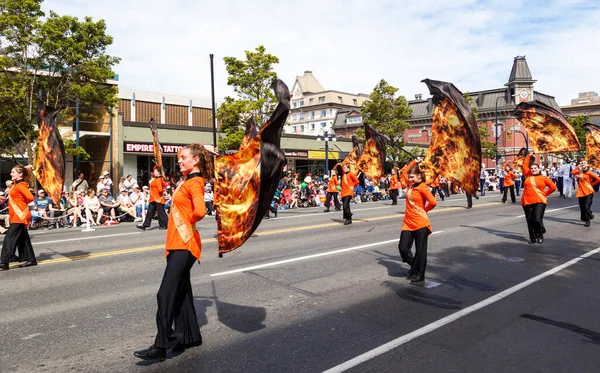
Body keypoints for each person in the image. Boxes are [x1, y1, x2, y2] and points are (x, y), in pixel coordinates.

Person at [134, 143, 212, 361]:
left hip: (184, 244)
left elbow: (200, 211)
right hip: (178, 243)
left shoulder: (195, 182)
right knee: (180, 292)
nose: (180, 160)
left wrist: (187, 223)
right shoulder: (186, 181)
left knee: (165, 294)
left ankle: (161, 345)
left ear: (195, 160)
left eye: (184, 157)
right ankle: (189, 336)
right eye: (179, 157)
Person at [397, 159, 437, 283]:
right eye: (410, 177)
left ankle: (420, 274)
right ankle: (414, 266)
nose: (410, 179)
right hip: (408, 223)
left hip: (420, 223)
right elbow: (403, 174)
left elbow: (433, 202)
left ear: (419, 176)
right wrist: (414, 162)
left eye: (412, 177)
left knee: (420, 250)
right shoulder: (411, 185)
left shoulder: (423, 187)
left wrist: (423, 210)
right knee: (403, 247)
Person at [1, 165, 37, 270]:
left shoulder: (21, 185)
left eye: (13, 172)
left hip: (19, 215)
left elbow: (30, 197)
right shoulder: (16, 184)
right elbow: (13, 184)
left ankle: (4, 262)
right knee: (23, 238)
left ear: (20, 174)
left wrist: (21, 204)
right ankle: (30, 259)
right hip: (17, 215)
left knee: (9, 238)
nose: (11, 174)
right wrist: (26, 168)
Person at [521, 154, 557, 244]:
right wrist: (529, 155)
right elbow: (524, 165)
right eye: (532, 168)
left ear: (539, 169)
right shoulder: (528, 175)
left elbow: (553, 187)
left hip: (539, 200)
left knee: (536, 219)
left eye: (535, 168)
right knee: (529, 220)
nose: (533, 170)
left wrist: (545, 194)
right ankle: (532, 238)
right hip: (526, 201)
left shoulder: (544, 178)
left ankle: (540, 233)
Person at [137, 166, 168, 231]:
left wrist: (164, 190)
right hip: (153, 198)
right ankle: (145, 225)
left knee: (161, 212)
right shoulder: (157, 179)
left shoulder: (159, 179)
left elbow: (160, 190)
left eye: (155, 172)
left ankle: (165, 224)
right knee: (150, 212)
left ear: (158, 172)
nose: (154, 173)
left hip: (158, 198)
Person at [571, 160, 600, 227]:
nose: (583, 164)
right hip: (581, 191)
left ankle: (589, 217)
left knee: (586, 206)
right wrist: (578, 166)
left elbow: (598, 179)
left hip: (588, 191)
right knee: (582, 207)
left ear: (587, 165)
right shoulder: (580, 172)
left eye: (584, 163)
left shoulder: (590, 172)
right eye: (582, 163)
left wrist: (591, 184)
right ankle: (587, 219)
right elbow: (572, 172)